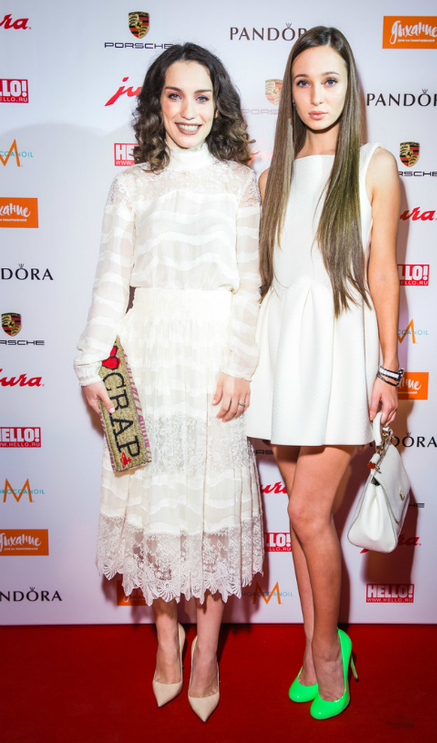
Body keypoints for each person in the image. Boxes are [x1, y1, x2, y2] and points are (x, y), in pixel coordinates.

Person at [74, 43, 263, 722]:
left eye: (202, 97)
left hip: (213, 358)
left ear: (219, 105)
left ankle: (205, 652)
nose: (189, 111)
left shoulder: (239, 183)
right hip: (144, 357)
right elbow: (110, 282)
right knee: (155, 505)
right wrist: (92, 362)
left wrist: (239, 362)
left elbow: (250, 286)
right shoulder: (132, 185)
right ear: (158, 102)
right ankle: (165, 641)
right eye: (175, 95)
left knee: (208, 507)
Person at [246, 26, 401, 720]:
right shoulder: (270, 179)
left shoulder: (373, 165)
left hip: (342, 355)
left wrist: (390, 372)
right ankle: (315, 647)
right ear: (289, 93)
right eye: (303, 82)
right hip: (283, 355)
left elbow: (384, 274)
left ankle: (329, 653)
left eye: (330, 81)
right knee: (302, 518)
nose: (316, 95)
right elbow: (268, 283)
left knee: (308, 514)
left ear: (350, 87)